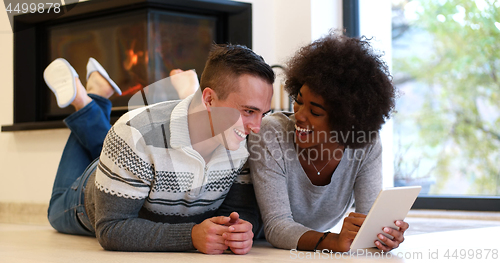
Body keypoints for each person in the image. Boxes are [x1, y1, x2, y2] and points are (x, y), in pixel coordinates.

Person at [45, 44, 274, 254]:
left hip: (138, 162)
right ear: (209, 99)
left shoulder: (240, 142)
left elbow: (240, 210)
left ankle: (95, 95)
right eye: (248, 111)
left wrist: (240, 229)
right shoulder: (132, 133)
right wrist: (191, 236)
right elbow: (111, 228)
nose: (257, 128)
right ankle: (85, 100)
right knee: (55, 210)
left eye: (264, 114)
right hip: (91, 194)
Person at [248, 32, 407, 252]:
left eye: (315, 111)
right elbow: (276, 226)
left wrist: (381, 235)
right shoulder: (271, 132)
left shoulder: (366, 144)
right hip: (257, 248)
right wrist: (332, 241)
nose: (300, 115)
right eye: (299, 101)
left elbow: (367, 222)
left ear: (346, 120)